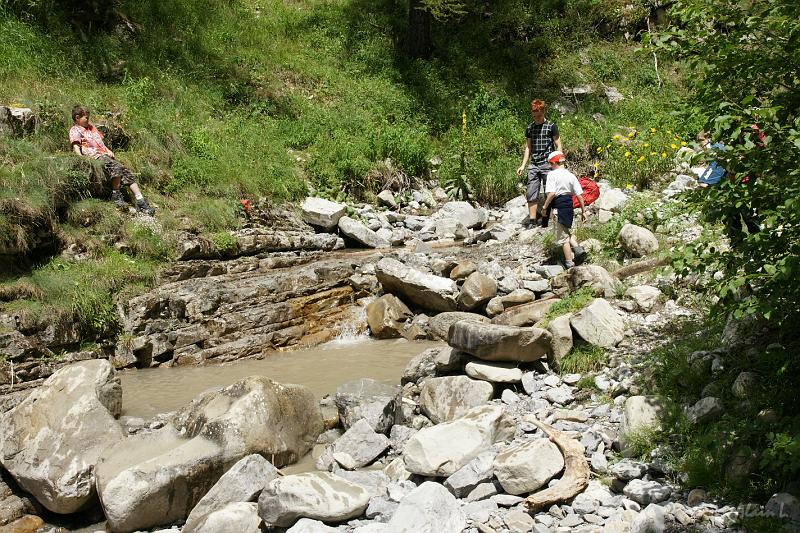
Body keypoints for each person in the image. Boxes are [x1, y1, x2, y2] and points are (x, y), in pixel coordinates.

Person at [69, 105, 155, 215]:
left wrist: (107, 149)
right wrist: (82, 159)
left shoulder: (91, 127)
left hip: (104, 154)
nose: (88, 120)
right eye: (86, 117)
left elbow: (99, 142)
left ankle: (140, 201)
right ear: (77, 118)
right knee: (117, 167)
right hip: (94, 156)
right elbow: (76, 146)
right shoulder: (75, 130)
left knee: (126, 172)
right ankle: (116, 195)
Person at [696, 130, 760, 246]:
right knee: (738, 219)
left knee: (745, 218)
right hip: (737, 185)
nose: (701, 146)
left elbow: (715, 167)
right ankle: (751, 245)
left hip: (741, 186)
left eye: (701, 142)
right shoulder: (726, 146)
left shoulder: (717, 149)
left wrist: (704, 181)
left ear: (708, 139)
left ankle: (749, 245)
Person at [516, 99, 562, 228]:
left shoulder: (551, 126)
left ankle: (547, 220)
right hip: (534, 164)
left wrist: (559, 162)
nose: (536, 118)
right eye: (534, 116)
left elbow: (558, 144)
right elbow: (528, 148)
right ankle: (532, 221)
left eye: (539, 116)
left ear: (543, 112)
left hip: (548, 164)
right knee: (531, 191)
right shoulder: (530, 128)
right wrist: (523, 165)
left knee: (550, 192)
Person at [541, 151, 586, 269]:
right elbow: (579, 196)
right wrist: (583, 211)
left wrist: (545, 207)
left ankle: (569, 263)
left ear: (554, 162)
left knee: (562, 238)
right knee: (565, 229)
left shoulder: (552, 175)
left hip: (558, 206)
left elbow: (551, 193)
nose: (550, 166)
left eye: (550, 163)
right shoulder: (571, 175)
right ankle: (577, 248)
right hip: (569, 205)